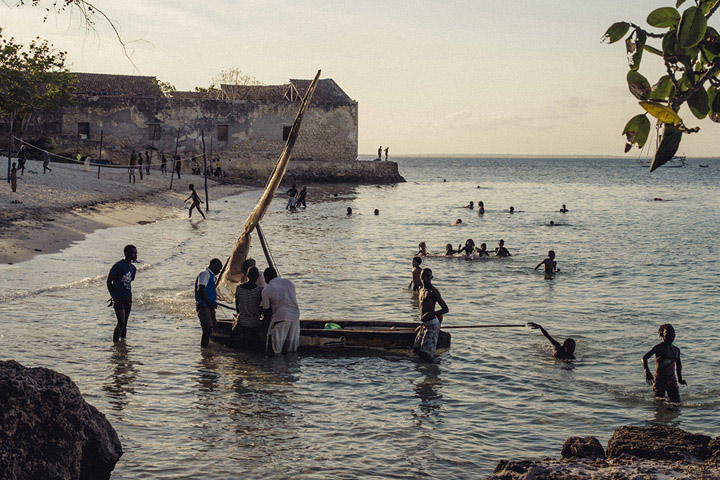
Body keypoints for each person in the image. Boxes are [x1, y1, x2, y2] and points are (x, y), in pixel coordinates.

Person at [261, 267, 300, 354]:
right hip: (295, 318)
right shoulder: (289, 283)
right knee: (291, 352)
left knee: (274, 352)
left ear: (266, 278)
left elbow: (266, 312)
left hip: (279, 320)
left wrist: (266, 327)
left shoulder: (266, 289)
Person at [643, 324, 686, 403]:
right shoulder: (659, 347)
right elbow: (644, 358)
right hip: (660, 380)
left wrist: (680, 379)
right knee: (658, 403)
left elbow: (678, 365)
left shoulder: (676, 350)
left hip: (671, 380)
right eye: (668, 333)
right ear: (661, 334)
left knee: (677, 403)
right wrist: (647, 372)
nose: (671, 335)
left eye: (673, 333)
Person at [413, 268, 449, 361]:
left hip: (432, 324)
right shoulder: (420, 289)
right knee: (416, 349)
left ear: (431, 277)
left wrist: (432, 313)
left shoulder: (433, 292)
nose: (425, 279)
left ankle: (432, 369)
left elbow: (445, 309)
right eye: (423, 277)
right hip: (424, 324)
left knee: (427, 353)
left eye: (427, 277)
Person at [107, 245, 138, 342]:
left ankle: (123, 346)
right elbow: (109, 281)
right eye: (134, 253)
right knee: (121, 322)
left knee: (125, 323)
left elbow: (129, 283)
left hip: (128, 298)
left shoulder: (133, 268)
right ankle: (115, 345)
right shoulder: (118, 265)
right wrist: (113, 296)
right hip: (118, 298)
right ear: (126, 253)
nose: (136, 255)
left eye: (136, 253)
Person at [233, 266, 267, 350]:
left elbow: (237, 307)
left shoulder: (239, 288)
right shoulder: (260, 290)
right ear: (258, 277)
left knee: (233, 340)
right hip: (254, 322)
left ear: (247, 276)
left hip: (241, 321)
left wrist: (240, 314)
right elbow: (263, 307)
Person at [195, 258, 223, 347]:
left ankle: (208, 351)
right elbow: (200, 290)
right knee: (206, 330)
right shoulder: (205, 273)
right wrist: (209, 302)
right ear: (214, 265)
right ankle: (204, 352)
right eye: (218, 268)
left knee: (211, 328)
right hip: (203, 306)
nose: (219, 271)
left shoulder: (212, 276)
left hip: (209, 306)